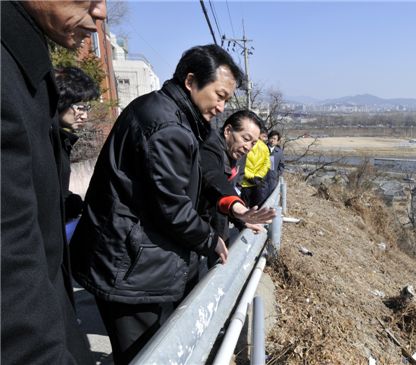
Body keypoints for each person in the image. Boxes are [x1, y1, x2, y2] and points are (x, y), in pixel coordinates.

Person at [70, 44, 270, 364]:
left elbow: (204, 174)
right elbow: (172, 207)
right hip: (130, 268)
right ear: (191, 81)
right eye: (219, 95)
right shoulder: (168, 126)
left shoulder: (174, 115)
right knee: (146, 355)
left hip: (133, 261)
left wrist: (233, 206)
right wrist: (210, 240)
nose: (221, 106)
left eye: (226, 100)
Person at [1, 1, 106, 364]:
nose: (100, 15)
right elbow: (8, 262)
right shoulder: (9, 74)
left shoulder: (25, 69)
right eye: (91, 0)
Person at [199, 110, 273, 244]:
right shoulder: (209, 146)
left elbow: (233, 187)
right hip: (194, 221)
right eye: (245, 139)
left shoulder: (237, 154)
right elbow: (212, 176)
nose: (248, 147)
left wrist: (241, 219)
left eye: (253, 143)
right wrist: (237, 207)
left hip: (218, 216)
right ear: (227, 131)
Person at [55, 66, 100, 225]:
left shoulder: (59, 139)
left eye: (86, 108)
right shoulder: (44, 139)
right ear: (63, 99)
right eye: (80, 107)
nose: (85, 116)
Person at [240, 126, 272, 207]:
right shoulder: (265, 147)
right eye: (264, 136)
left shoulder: (246, 144)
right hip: (258, 183)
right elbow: (267, 164)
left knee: (242, 208)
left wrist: (249, 176)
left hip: (244, 182)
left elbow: (240, 162)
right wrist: (258, 176)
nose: (265, 139)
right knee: (255, 208)